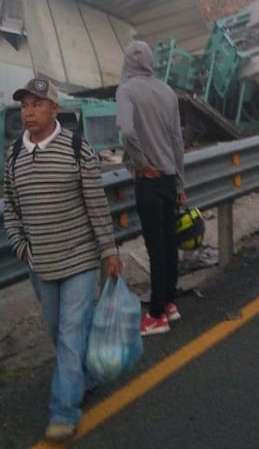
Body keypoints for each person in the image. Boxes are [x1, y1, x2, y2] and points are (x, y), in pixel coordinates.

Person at [2, 76, 122, 443]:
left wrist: (109, 251)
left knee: (70, 335)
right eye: (25, 105)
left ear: (54, 109)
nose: (29, 112)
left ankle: (63, 413)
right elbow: (10, 207)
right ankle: (88, 376)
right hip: (41, 263)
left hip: (79, 260)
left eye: (37, 104)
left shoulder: (76, 149)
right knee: (58, 331)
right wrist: (22, 247)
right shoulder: (14, 155)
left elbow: (96, 205)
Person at [115, 40, 186, 336]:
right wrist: (179, 182)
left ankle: (157, 315)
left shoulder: (126, 90)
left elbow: (127, 130)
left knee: (156, 249)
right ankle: (169, 302)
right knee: (169, 245)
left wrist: (141, 163)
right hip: (169, 179)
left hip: (149, 181)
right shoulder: (167, 91)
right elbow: (177, 140)